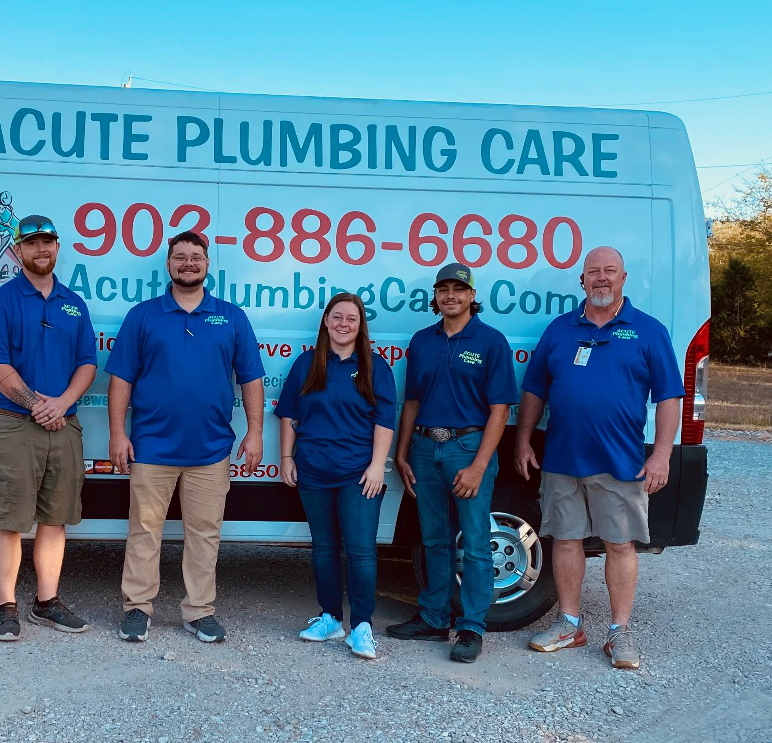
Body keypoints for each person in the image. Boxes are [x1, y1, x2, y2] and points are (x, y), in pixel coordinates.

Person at [514, 246, 683, 669]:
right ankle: (570, 624)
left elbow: (668, 397)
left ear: (624, 278)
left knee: (619, 545)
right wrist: (522, 441)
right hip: (562, 459)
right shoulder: (559, 329)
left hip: (621, 461)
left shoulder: (648, 330)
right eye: (594, 272)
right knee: (566, 540)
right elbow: (535, 389)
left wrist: (661, 454)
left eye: (610, 271)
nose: (601, 278)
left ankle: (619, 632)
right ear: (582, 281)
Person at [106, 231, 265, 644]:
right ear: (169, 265)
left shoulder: (231, 317)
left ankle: (198, 612)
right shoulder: (143, 316)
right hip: (151, 446)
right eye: (181, 257)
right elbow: (121, 378)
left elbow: (250, 378)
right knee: (144, 531)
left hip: (210, 449)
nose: (188, 263)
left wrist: (255, 432)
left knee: (205, 534)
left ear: (208, 264)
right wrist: (118, 433)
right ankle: (137, 609)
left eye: (196, 257)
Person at [386, 262, 518, 663]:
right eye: (443, 289)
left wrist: (479, 465)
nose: (450, 296)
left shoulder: (491, 342)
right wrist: (402, 451)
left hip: (467, 448)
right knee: (434, 539)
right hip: (426, 448)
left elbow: (500, 410)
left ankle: (472, 628)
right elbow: (412, 401)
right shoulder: (422, 341)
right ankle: (433, 617)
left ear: (472, 296)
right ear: (436, 296)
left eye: (458, 289)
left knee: (476, 544)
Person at [0, 214, 97, 641]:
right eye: (31, 243)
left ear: (57, 247)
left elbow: (87, 363)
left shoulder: (73, 303)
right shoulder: (2, 301)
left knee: (55, 520)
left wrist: (61, 403)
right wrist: (36, 405)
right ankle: (6, 606)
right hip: (14, 425)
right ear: (18, 251)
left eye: (48, 241)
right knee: (9, 521)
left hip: (64, 424)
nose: (41, 249)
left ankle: (46, 603)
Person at [274, 293, 396, 660]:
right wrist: (285, 457)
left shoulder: (375, 367)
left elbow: (385, 420)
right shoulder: (307, 363)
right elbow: (288, 414)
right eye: (337, 317)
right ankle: (330, 618)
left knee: (360, 551)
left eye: (352, 319)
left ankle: (361, 626)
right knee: (324, 548)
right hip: (313, 470)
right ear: (326, 321)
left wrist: (377, 465)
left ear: (361, 326)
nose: (344, 324)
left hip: (359, 475)